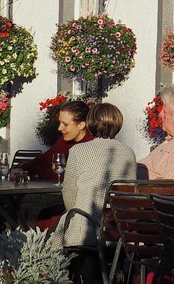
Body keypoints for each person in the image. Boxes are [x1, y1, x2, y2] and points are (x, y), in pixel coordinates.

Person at [57, 102, 135, 248]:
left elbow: (69, 192)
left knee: (54, 233)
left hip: (86, 228)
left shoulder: (78, 151)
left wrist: (74, 213)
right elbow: (129, 193)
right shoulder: (129, 152)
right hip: (117, 230)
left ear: (90, 123)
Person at [19, 100, 94, 180]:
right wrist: (20, 170)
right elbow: (44, 160)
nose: (59, 128)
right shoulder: (66, 140)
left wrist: (38, 175)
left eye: (65, 124)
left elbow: (73, 175)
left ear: (81, 125)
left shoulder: (92, 144)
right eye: (60, 123)